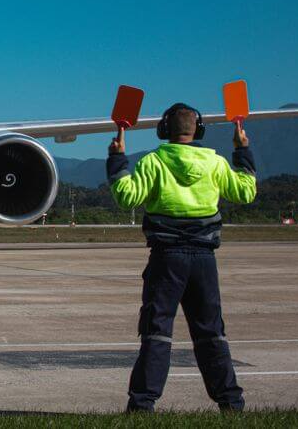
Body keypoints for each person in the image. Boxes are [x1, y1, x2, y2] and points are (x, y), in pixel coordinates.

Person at [106, 103, 256, 412]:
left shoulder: (153, 162)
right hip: (204, 259)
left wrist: (117, 159)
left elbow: (126, 197)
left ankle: (142, 405)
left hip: (167, 259)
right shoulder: (215, 162)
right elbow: (245, 192)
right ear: (198, 130)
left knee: (157, 333)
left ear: (163, 130)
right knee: (211, 333)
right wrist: (242, 152)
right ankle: (231, 403)